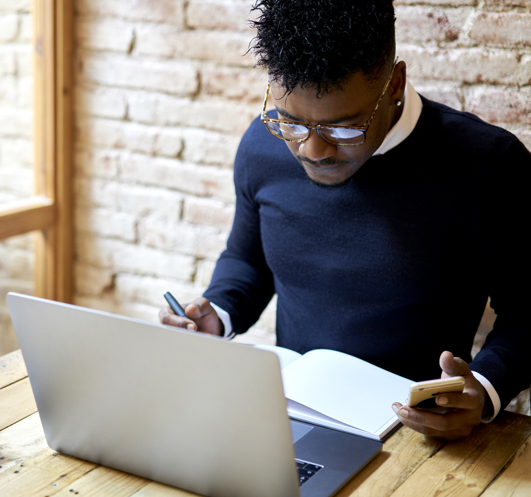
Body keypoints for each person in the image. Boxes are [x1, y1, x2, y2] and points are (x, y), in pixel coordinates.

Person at [159, 0, 530, 440]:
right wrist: (215, 314)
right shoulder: (262, 146)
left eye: (343, 129)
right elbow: (248, 260)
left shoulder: (486, 164)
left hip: (415, 434)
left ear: (395, 84)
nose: (311, 151)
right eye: (290, 122)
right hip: (286, 420)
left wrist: (485, 387)